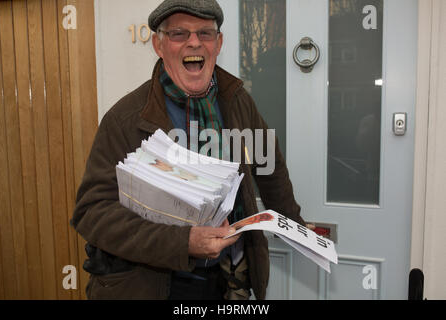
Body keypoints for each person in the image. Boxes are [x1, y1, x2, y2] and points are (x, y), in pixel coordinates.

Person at [71, 0, 306, 300]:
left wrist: (296, 226)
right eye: (179, 33)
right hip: (156, 285)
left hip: (231, 280)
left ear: (218, 43)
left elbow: (269, 164)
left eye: (205, 33)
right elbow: (92, 213)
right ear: (159, 44)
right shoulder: (125, 120)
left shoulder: (237, 102)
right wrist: (183, 242)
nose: (194, 41)